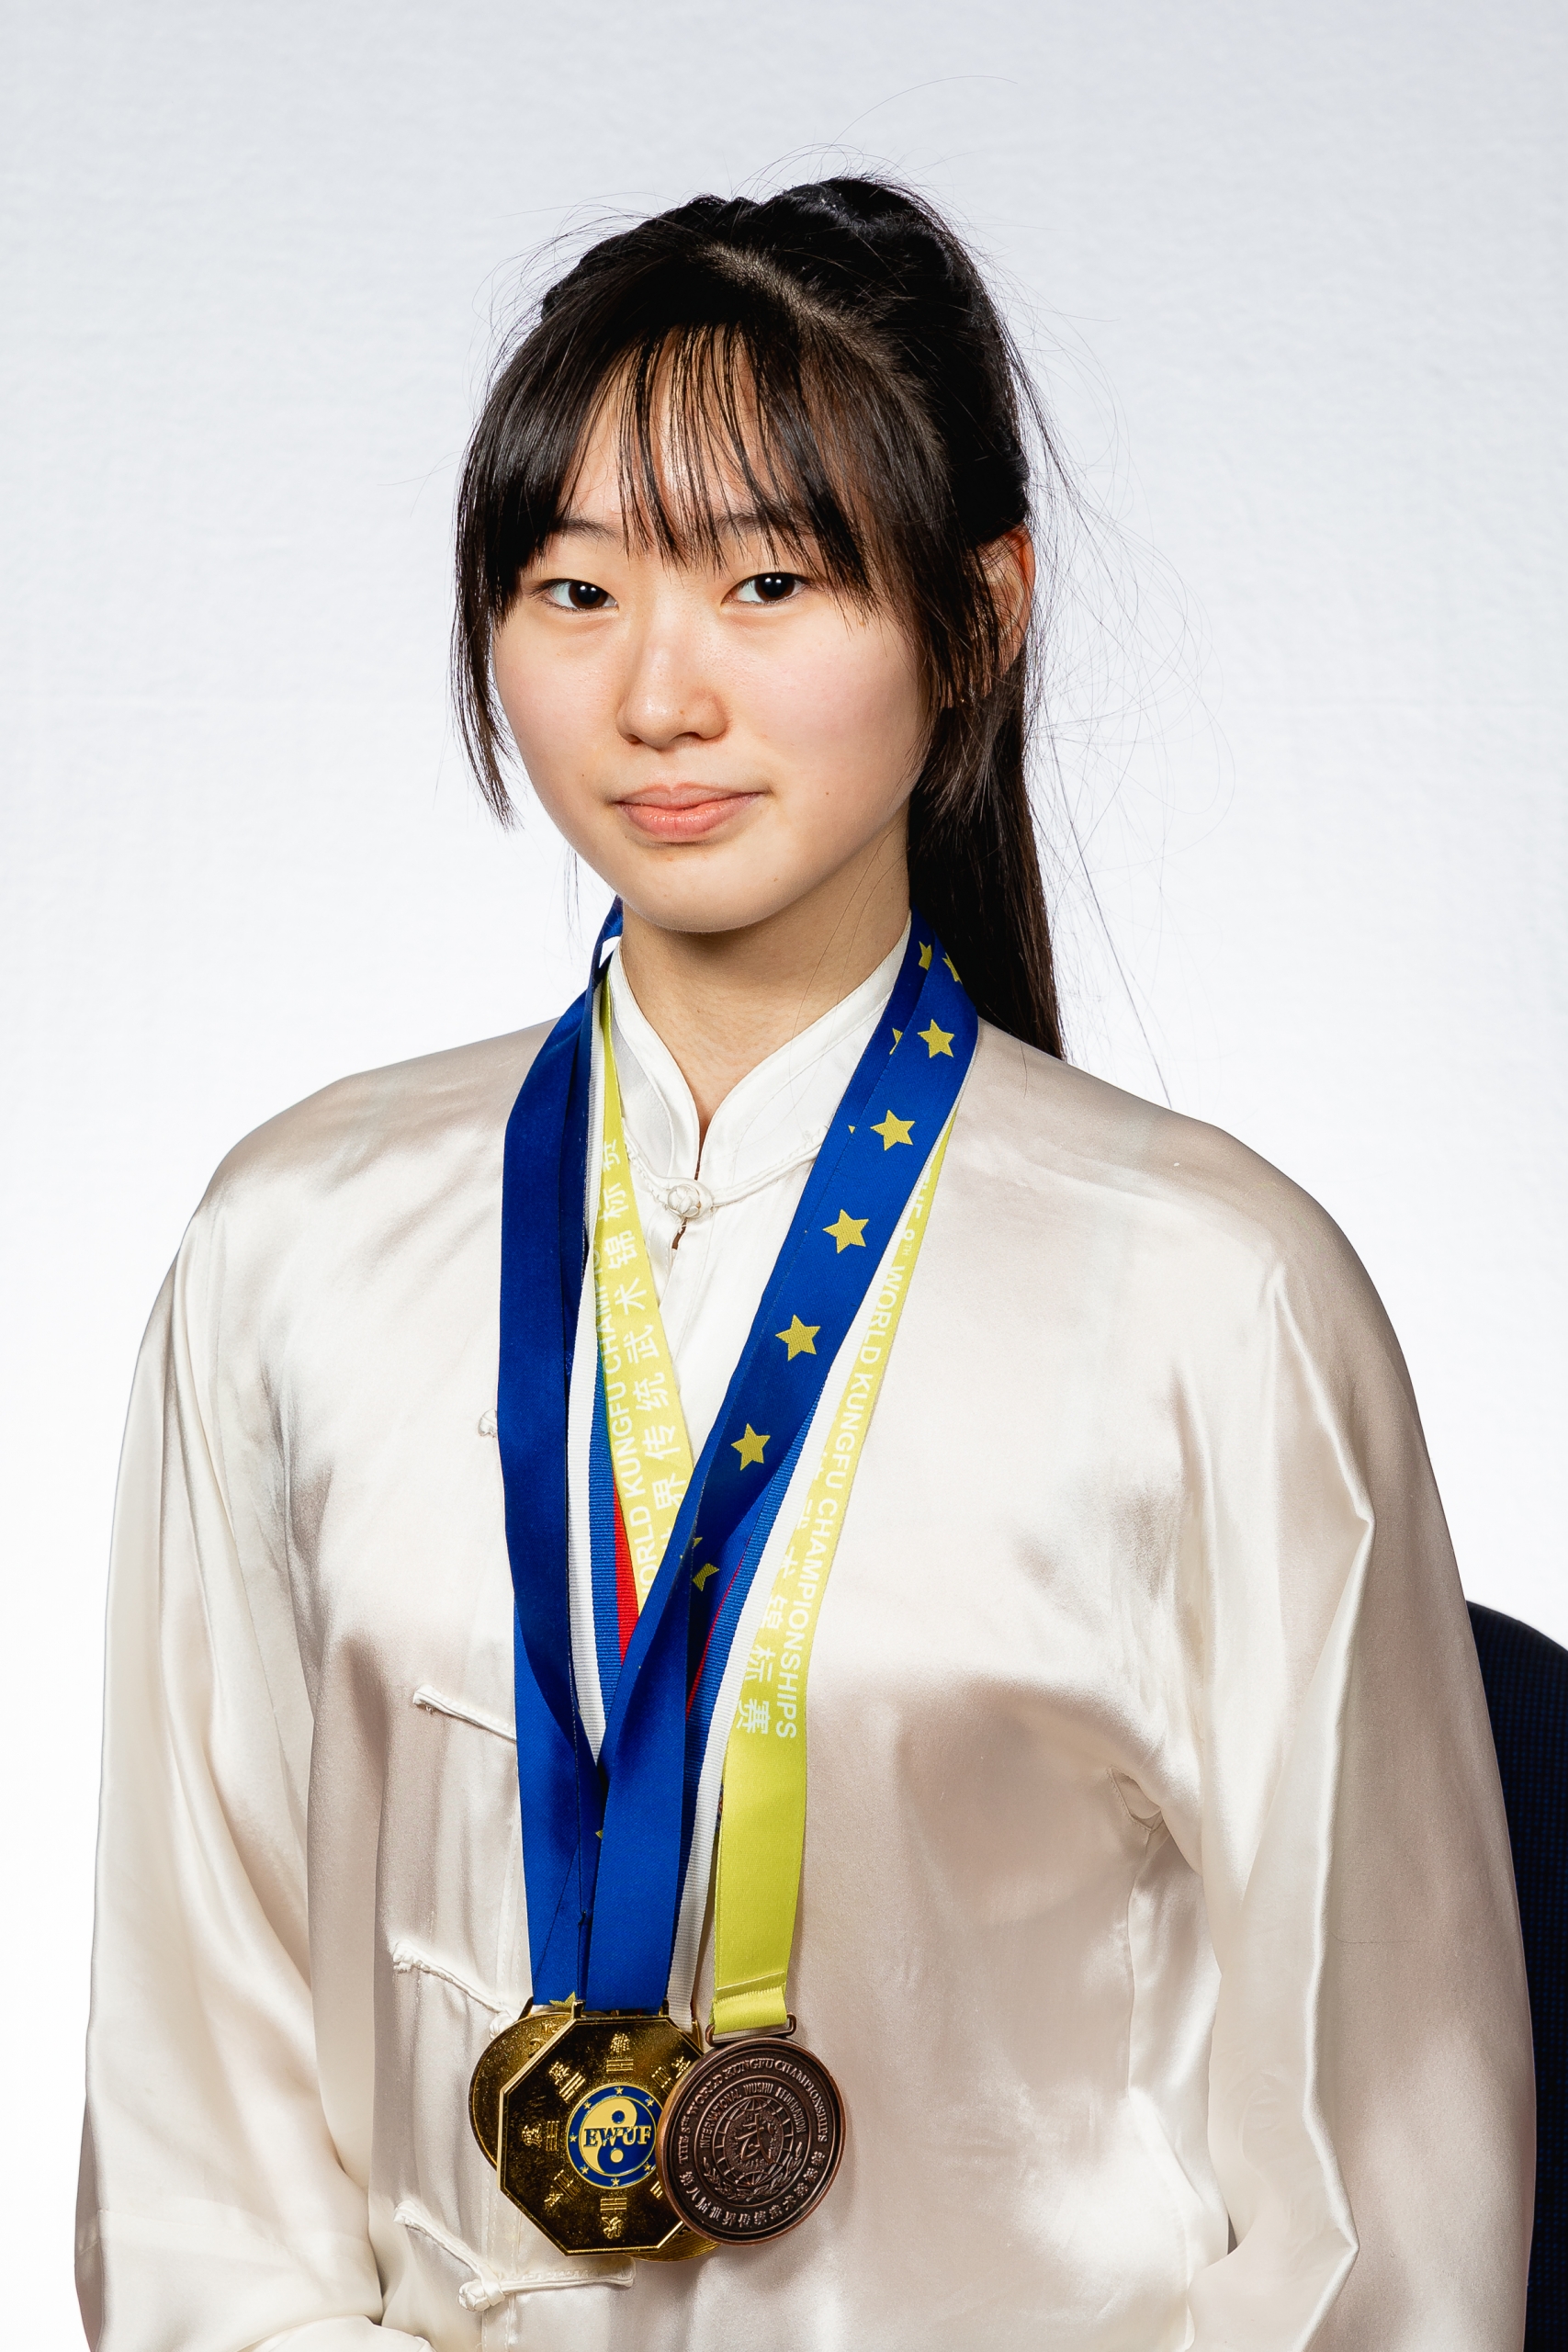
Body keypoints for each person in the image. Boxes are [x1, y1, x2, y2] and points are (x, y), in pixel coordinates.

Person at [76, 177, 1533, 2352]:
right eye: (573, 588)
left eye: (767, 580)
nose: (657, 692)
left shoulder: (1213, 1300)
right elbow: (195, 2131)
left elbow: (1375, 2215)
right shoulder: (292, 1241)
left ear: (977, 612)